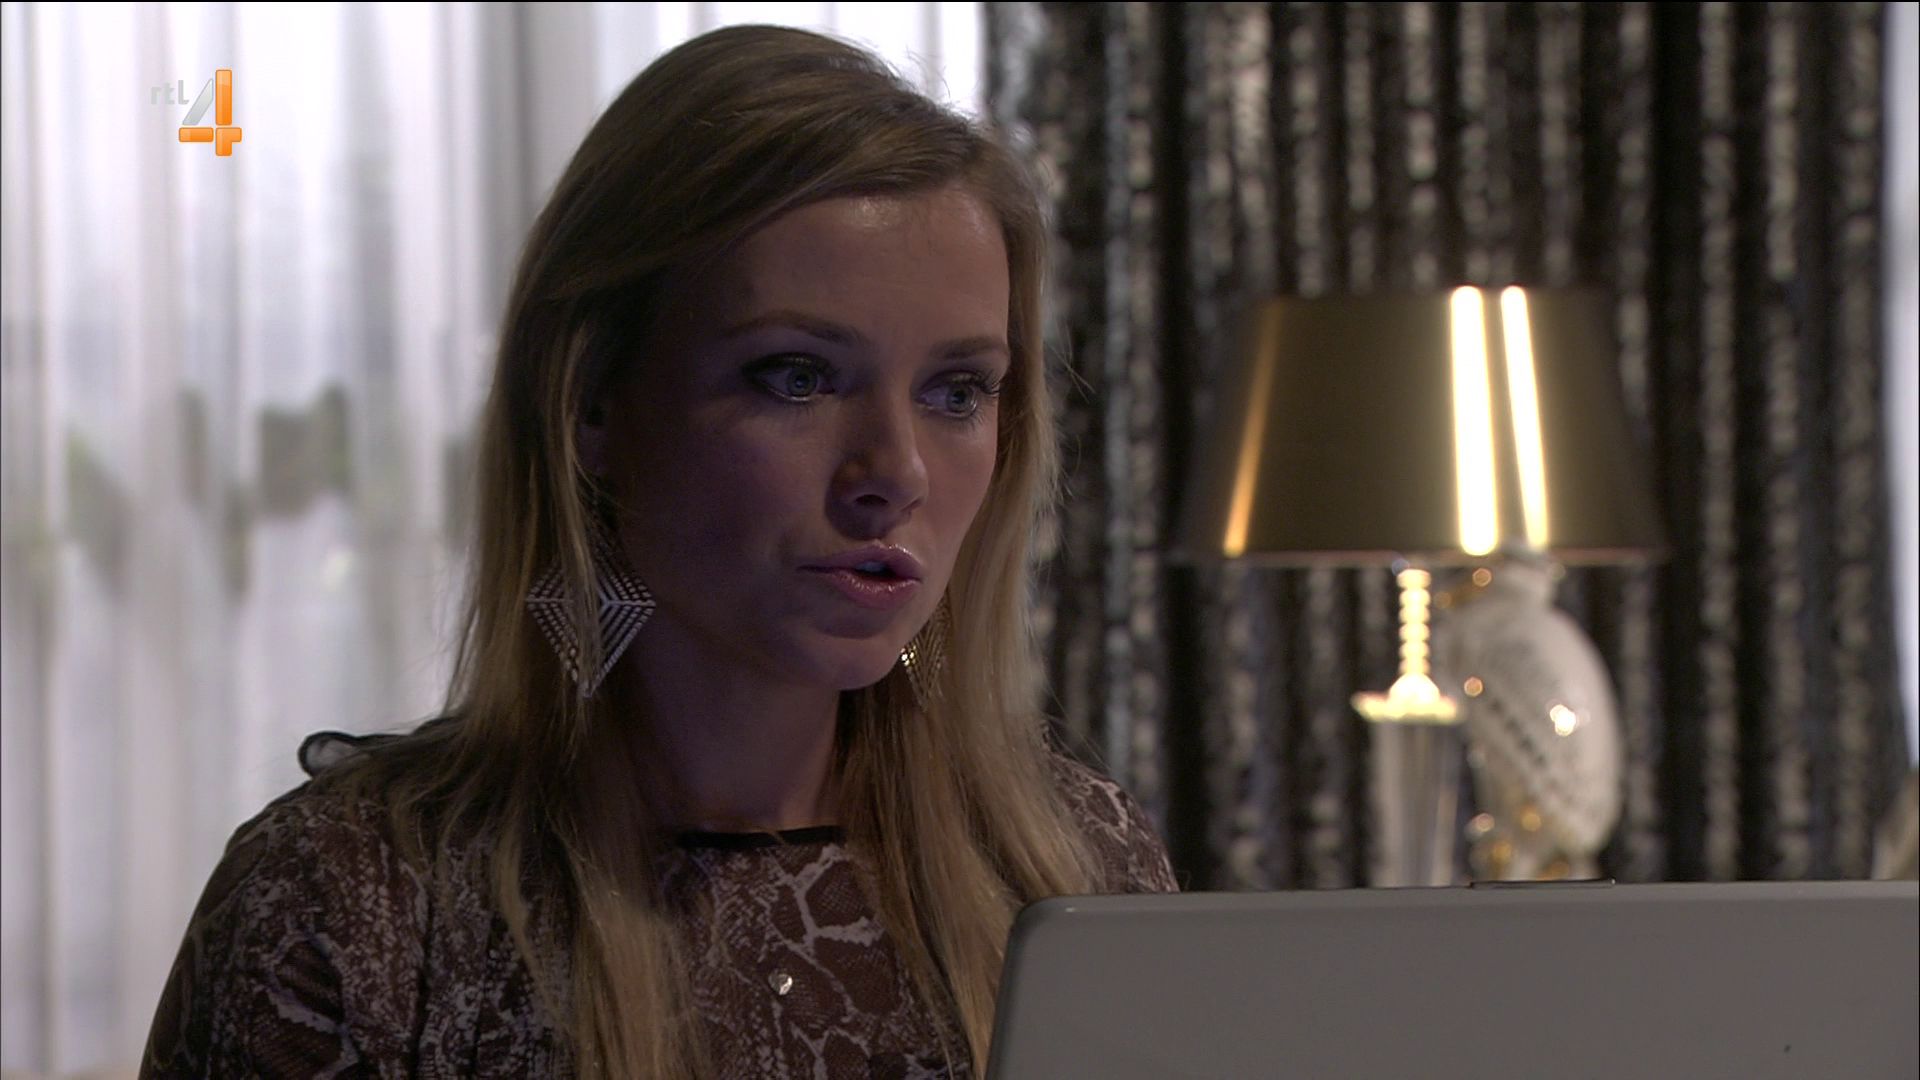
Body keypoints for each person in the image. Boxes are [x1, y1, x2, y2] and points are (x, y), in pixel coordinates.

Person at [139, 23, 1177, 1080]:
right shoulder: (354, 908)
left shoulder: (1075, 872)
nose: (897, 471)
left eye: (957, 392)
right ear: (593, 402)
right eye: (798, 377)